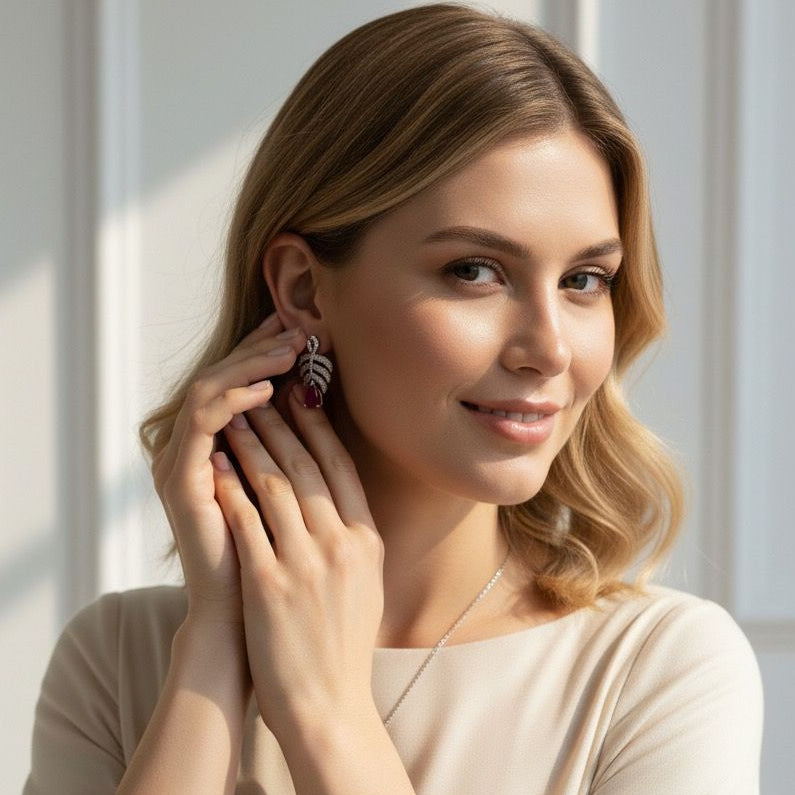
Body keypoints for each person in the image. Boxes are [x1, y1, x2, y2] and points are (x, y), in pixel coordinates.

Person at [24, 4, 763, 793]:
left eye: (584, 280)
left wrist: (328, 712)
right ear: (304, 288)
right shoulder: (119, 659)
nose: (549, 348)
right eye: (475, 270)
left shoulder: (658, 672)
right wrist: (216, 639)